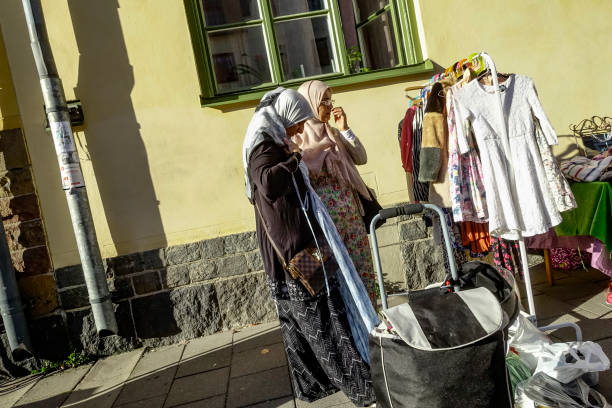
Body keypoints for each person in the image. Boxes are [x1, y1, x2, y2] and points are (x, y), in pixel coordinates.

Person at [242, 87, 376, 406]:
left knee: (298, 324)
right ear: (284, 115)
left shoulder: (268, 139)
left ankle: (312, 385)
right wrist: (295, 158)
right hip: (294, 247)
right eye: (297, 123)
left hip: (286, 248)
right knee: (324, 322)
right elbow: (268, 183)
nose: (301, 129)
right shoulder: (266, 146)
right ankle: (361, 388)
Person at [294, 80, 378, 306]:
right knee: (338, 274)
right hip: (326, 223)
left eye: (331, 101)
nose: (330, 107)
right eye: (324, 102)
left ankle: (371, 316)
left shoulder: (333, 133)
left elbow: (361, 158)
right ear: (310, 104)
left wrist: (344, 129)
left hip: (351, 217)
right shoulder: (297, 139)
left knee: (362, 267)